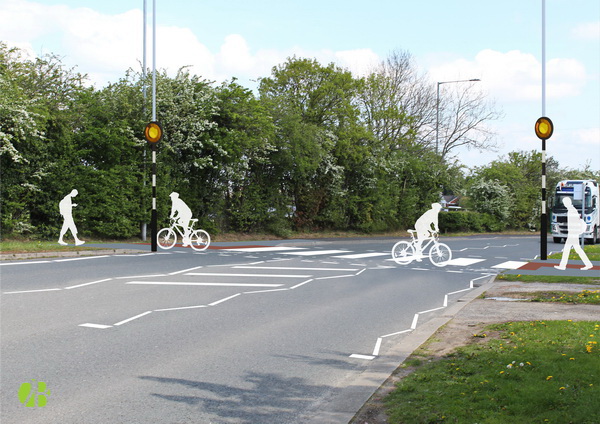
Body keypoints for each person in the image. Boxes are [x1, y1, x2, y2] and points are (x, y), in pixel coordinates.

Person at [554, 197, 593, 271]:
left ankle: (563, 266)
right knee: (576, 249)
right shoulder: (572, 210)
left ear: (568, 203)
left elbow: (574, 223)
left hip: (573, 233)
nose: (564, 204)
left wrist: (572, 233)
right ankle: (588, 264)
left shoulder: (572, 211)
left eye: (565, 203)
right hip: (573, 233)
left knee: (567, 249)